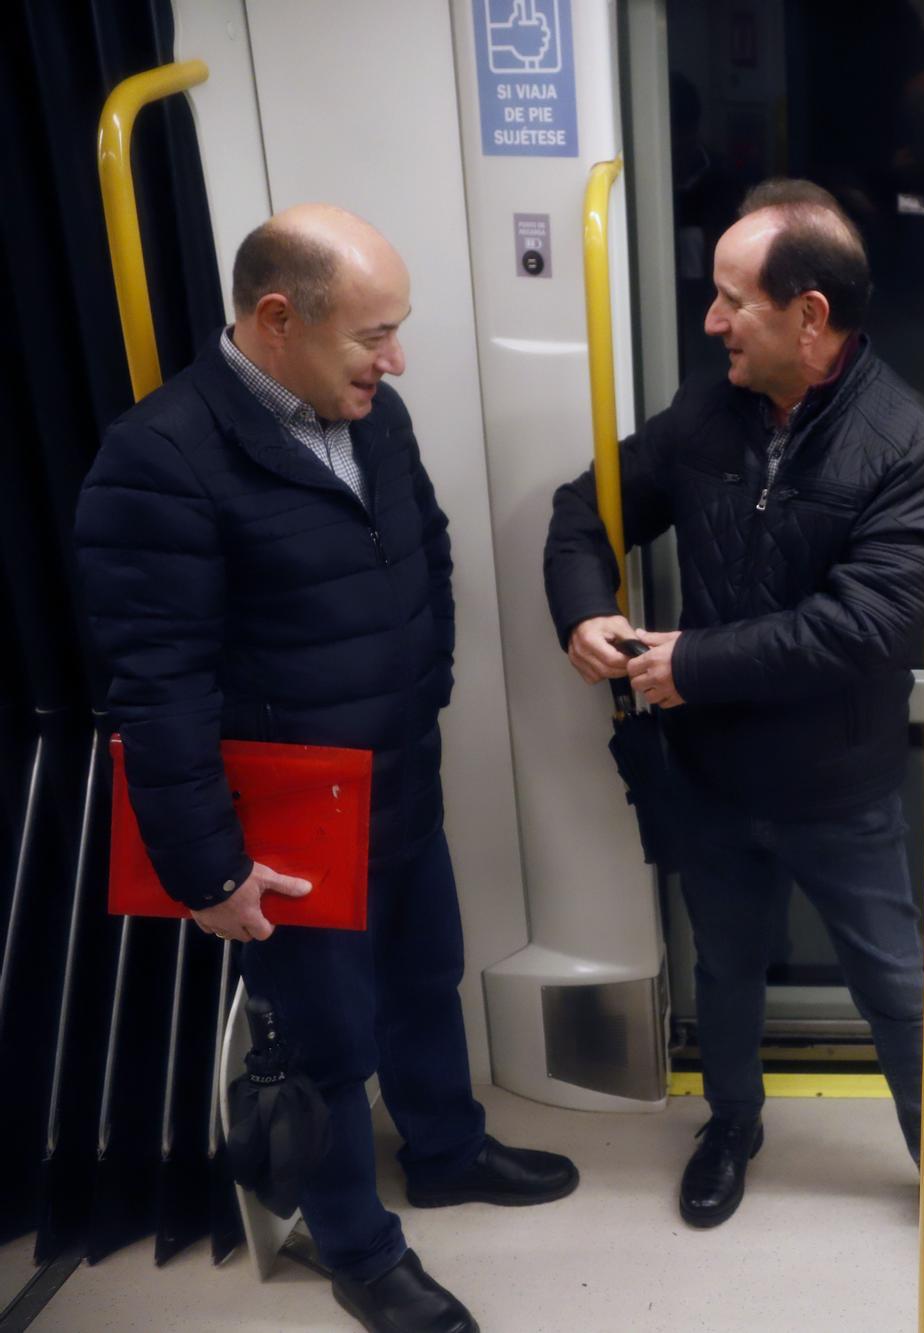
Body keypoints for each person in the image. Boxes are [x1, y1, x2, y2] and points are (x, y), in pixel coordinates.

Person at [76, 205, 577, 1333]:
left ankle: (444, 1148)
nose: (393, 362)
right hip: (286, 830)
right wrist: (210, 873)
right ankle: (358, 1246)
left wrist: (426, 686)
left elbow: (425, 549)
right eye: (372, 335)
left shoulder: (372, 416)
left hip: (395, 777)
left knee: (423, 979)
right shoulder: (158, 461)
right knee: (324, 1041)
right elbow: (156, 691)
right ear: (275, 319)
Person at [543, 178, 924, 1291]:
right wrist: (584, 607)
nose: (711, 323)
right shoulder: (707, 414)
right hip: (709, 774)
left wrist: (689, 662)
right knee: (727, 969)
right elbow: (583, 507)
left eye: (730, 301)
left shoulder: (906, 443)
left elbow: (871, 624)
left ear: (809, 316)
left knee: (896, 988)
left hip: (836, 785)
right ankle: (733, 1126)